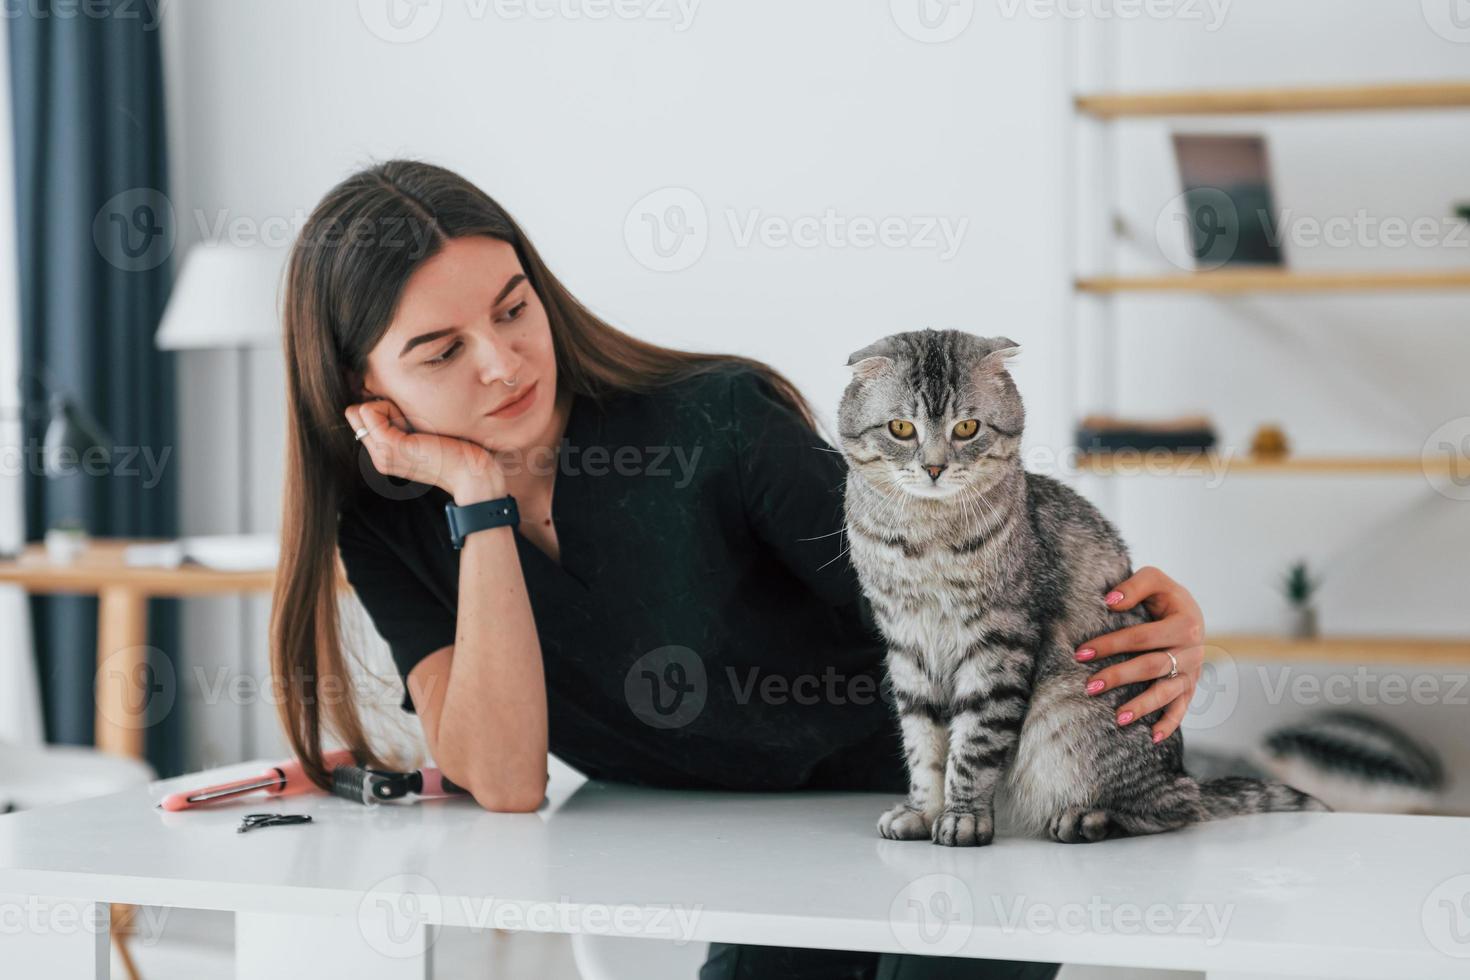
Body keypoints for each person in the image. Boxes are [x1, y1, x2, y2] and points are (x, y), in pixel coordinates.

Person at [270, 159, 1208, 980]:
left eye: (516, 309)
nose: (504, 363)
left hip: (953, 804)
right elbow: (506, 779)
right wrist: (479, 499)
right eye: (441, 352)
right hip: (746, 857)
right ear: (367, 395)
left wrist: (1148, 623)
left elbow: (974, 589)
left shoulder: (716, 423)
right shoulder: (389, 526)